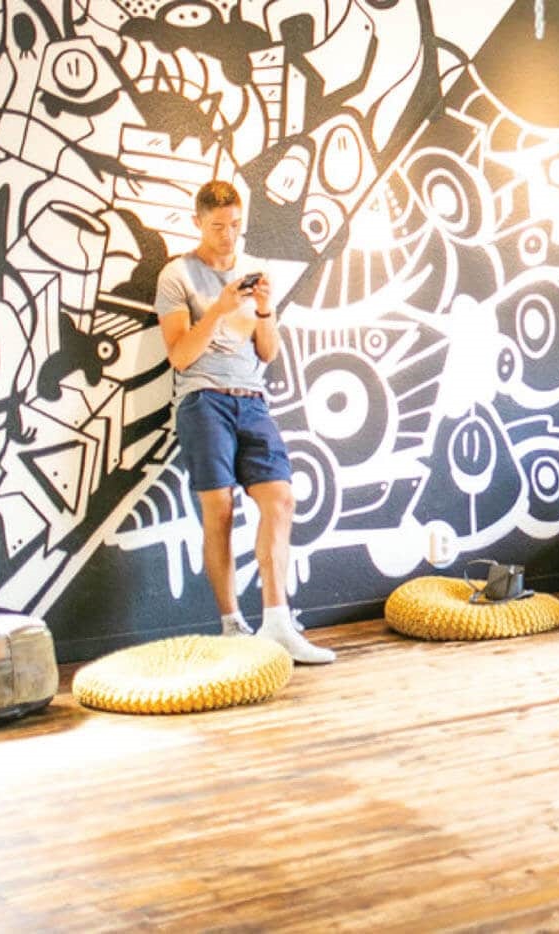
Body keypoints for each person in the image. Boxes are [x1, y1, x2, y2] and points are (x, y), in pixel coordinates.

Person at [156, 180, 332, 664]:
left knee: (280, 500)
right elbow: (180, 356)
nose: (228, 235)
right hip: (203, 400)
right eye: (218, 226)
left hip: (252, 400)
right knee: (220, 511)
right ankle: (233, 626)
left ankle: (277, 623)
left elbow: (268, 352)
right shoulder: (177, 275)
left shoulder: (256, 272)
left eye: (235, 224)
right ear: (198, 223)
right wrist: (218, 308)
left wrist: (264, 308)